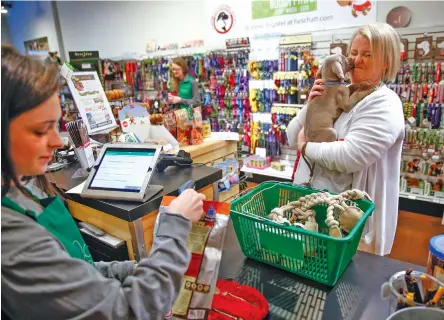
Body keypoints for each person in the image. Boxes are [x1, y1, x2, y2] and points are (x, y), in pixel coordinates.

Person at [1, 45, 206, 319]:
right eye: (41, 129)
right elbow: (132, 311)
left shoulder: (18, 196)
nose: (55, 141)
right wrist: (175, 224)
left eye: (56, 126)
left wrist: (127, 270)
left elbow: (71, 274)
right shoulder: (11, 241)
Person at [287, 23, 405, 256]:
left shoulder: (384, 103)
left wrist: (306, 147)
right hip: (312, 212)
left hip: (351, 225)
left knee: (347, 287)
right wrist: (311, 105)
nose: (357, 60)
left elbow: (351, 157)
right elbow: (291, 136)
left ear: (386, 62)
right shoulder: (338, 90)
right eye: (353, 53)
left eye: (367, 54)